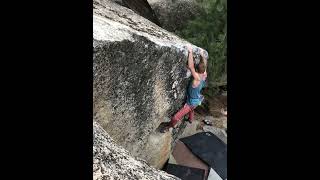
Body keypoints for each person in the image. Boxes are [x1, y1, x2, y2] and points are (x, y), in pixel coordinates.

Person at [161, 45, 207, 133]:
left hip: (191, 103)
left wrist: (190, 52)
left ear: (197, 71)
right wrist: (202, 55)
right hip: (197, 99)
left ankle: (169, 126)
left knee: (176, 117)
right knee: (192, 108)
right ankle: (190, 119)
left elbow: (191, 66)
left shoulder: (197, 78)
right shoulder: (204, 75)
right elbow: (204, 64)